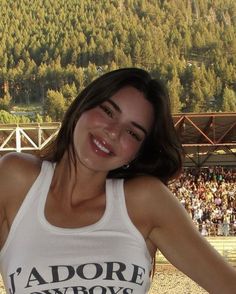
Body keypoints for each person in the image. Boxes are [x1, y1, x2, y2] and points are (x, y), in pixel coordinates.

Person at [0, 68, 235, 294]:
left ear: (138, 152)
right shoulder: (16, 180)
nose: (113, 132)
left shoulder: (145, 201)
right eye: (108, 111)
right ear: (83, 106)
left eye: (133, 133)